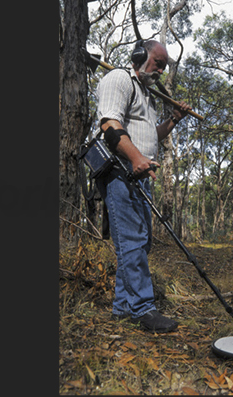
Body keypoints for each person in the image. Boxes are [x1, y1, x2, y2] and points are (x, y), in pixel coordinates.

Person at [95, 39, 192, 333]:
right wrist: (136, 157)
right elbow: (109, 125)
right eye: (157, 63)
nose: (161, 70)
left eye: (164, 66)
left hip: (140, 172)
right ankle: (142, 309)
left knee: (140, 242)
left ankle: (124, 307)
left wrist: (173, 119)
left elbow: (151, 135)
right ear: (139, 56)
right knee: (132, 241)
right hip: (120, 171)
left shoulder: (146, 95)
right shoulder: (118, 79)